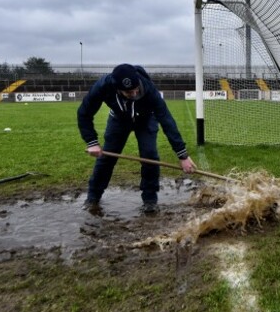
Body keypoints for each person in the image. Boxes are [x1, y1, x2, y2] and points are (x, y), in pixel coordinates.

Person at [77, 64, 196, 214]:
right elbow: (84, 113)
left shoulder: (149, 88)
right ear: (117, 88)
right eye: (128, 92)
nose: (134, 93)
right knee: (106, 158)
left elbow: (166, 120)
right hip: (118, 120)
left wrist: (182, 155)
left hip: (146, 120)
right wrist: (92, 142)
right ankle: (93, 197)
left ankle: (150, 200)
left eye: (136, 89)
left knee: (149, 155)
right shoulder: (103, 86)